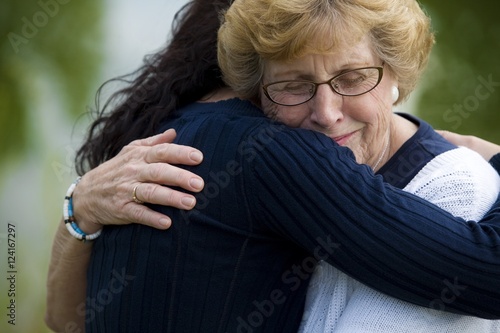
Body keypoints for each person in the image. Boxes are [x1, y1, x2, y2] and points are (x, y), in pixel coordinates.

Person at [45, 0, 500, 332]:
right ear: (254, 84)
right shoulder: (274, 152)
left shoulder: (159, 138)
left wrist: (77, 208)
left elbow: (63, 320)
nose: (326, 112)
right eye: (293, 85)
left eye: (353, 79)